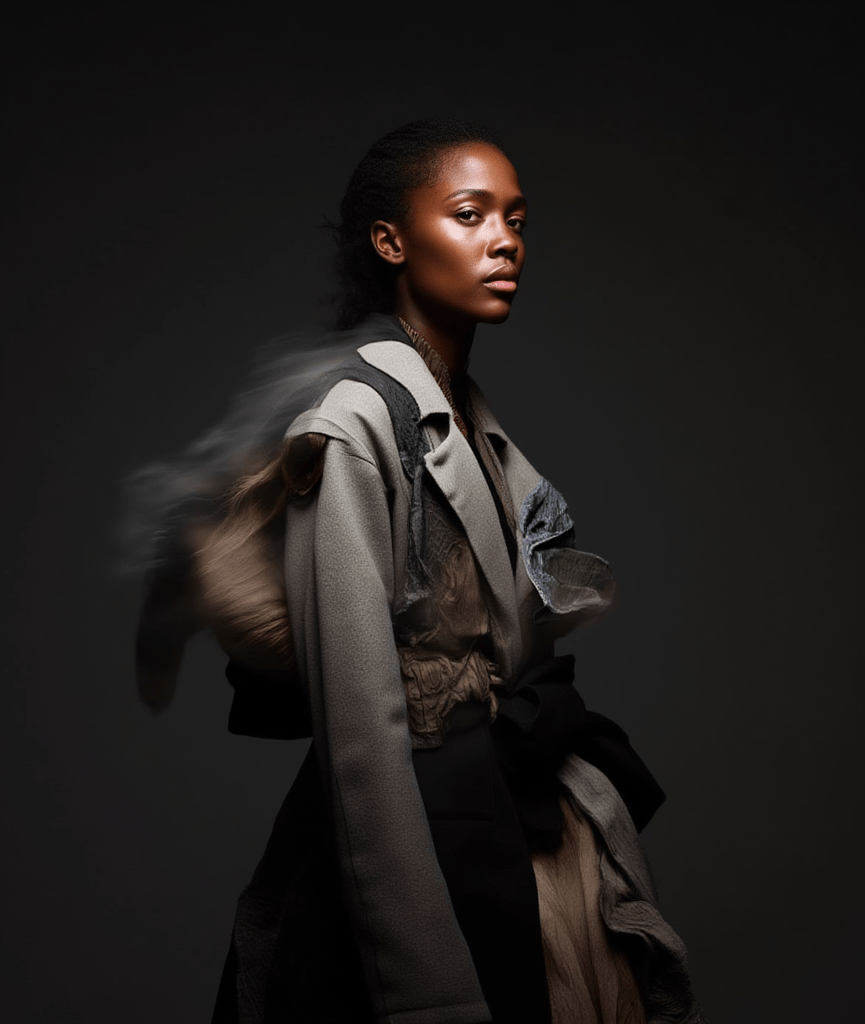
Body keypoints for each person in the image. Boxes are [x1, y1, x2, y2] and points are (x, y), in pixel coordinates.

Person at [129, 120, 703, 1024]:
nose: (505, 241)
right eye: (470, 214)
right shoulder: (355, 425)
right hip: (419, 854)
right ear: (391, 241)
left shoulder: (467, 414)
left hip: (510, 827)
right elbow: (360, 738)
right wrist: (426, 994)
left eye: (516, 219)